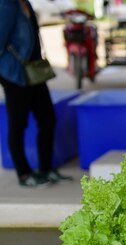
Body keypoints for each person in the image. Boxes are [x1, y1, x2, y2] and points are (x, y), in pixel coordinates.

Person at [0, 0, 72, 187]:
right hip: (15, 74)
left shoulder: (25, 3)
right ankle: (24, 174)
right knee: (18, 123)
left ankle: (46, 169)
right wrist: (9, 69)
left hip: (34, 71)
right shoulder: (6, 5)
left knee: (47, 118)